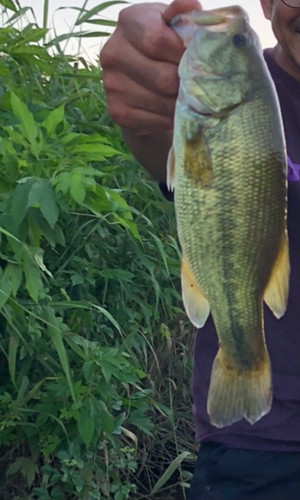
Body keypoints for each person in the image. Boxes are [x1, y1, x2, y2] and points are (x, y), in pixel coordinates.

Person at [100, 0, 300, 498]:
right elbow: (162, 146)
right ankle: (243, 361)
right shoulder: (247, 92)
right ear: (270, 4)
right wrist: (143, 111)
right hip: (264, 447)